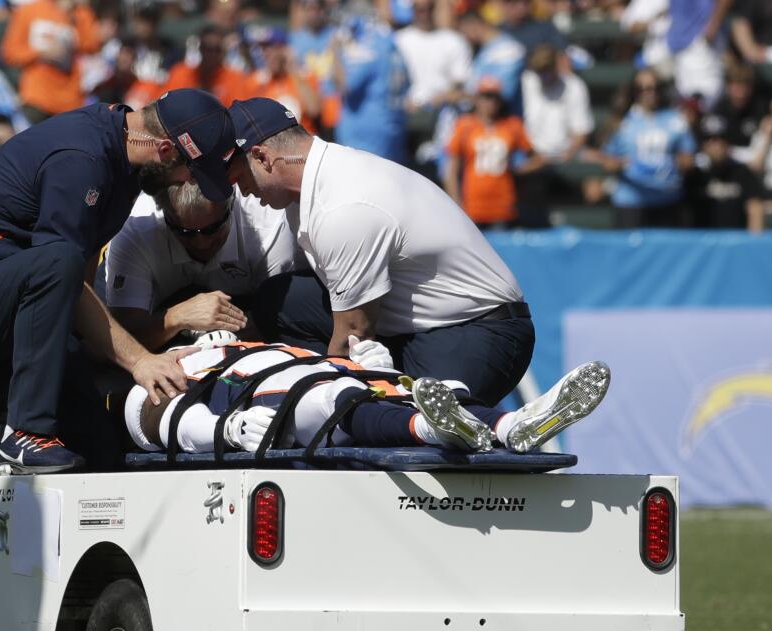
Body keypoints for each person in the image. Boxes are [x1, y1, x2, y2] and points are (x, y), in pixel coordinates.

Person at [0, 89, 238, 521]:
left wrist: (93, 358)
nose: (188, 184)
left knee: (96, 445)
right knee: (58, 259)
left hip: (14, 313)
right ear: (164, 150)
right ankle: (25, 432)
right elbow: (63, 269)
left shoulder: (125, 164)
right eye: (189, 172)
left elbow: (79, 280)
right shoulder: (82, 157)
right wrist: (140, 360)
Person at [226, 97, 533, 408]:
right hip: (427, 322)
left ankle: (503, 429)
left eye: (240, 177)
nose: (242, 189)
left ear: (262, 158)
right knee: (277, 302)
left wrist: (325, 403)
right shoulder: (318, 181)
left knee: (422, 422)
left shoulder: (343, 206)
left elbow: (352, 335)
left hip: (481, 334)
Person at [124, 338, 610, 457]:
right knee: (335, 404)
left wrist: (372, 364)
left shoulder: (250, 342)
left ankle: (511, 426)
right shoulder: (171, 366)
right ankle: (437, 429)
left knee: (399, 389)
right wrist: (222, 431)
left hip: (331, 375)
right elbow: (154, 421)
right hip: (279, 410)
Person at [101, 182, 302, 349]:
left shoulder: (268, 224)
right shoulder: (134, 231)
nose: (201, 244)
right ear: (165, 216)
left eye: (213, 229)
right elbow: (116, 343)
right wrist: (176, 317)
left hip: (248, 308)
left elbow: (279, 322)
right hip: (159, 313)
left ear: (231, 206)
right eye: (184, 232)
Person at [600, 69, 696, 228]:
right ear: (634, 91)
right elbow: (608, 160)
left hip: (667, 199)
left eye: (653, 87)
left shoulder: (676, 120)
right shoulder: (622, 122)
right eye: (642, 89)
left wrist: (669, 164)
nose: (649, 93)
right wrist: (624, 164)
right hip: (631, 199)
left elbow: (688, 158)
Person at [445, 77, 543, 228]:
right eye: (486, 97)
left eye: (494, 97)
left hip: (502, 206)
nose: (490, 102)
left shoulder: (512, 126)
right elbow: (451, 169)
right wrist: (456, 203)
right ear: (477, 99)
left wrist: (519, 170)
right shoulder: (464, 126)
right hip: (472, 208)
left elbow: (538, 158)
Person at [1, 0, 101, 123]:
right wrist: (41, 53)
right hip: (37, 98)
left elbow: (92, 44)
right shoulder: (29, 11)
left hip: (70, 100)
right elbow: (10, 52)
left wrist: (76, 13)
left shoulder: (79, 12)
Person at [331, 10, 410, 162]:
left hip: (365, 136)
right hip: (393, 129)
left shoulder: (370, 49)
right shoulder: (395, 49)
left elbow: (345, 85)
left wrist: (335, 50)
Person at [687, 115, 765, 232]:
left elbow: (755, 208)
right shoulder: (696, 176)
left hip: (737, 243)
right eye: (710, 139)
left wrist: (753, 244)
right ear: (702, 145)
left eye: (721, 138)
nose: (716, 144)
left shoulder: (743, 173)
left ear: (728, 142)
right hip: (703, 244)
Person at [395, 0, 472, 112]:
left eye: (429, 7)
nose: (425, 13)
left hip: (442, 113)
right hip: (405, 112)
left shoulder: (454, 41)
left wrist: (443, 97)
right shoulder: (398, 40)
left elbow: (461, 81)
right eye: (419, 9)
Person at [161, 25, 254, 107]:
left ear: (224, 51)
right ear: (200, 48)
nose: (211, 54)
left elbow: (237, 113)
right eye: (208, 48)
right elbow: (166, 105)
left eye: (217, 49)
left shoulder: (235, 78)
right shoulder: (180, 73)